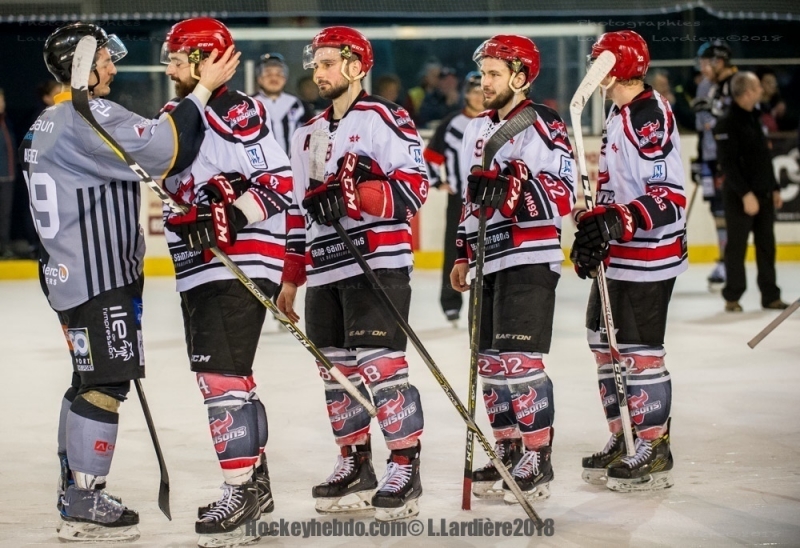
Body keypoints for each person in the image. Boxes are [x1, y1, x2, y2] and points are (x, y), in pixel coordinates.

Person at [19, 22, 237, 542]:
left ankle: (75, 488)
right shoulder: (88, 115)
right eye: (104, 60)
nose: (112, 68)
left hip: (67, 273)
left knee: (87, 379)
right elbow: (167, 150)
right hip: (99, 276)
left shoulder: (46, 121)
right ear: (81, 67)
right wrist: (203, 90)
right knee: (106, 383)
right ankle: (85, 500)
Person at [277, 26, 429, 522]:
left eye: (327, 64)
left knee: (381, 369)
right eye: (315, 64)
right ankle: (356, 463)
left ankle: (404, 466)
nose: (317, 72)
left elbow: (415, 188)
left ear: (356, 66)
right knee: (337, 373)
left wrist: (356, 195)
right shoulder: (306, 133)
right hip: (325, 269)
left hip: (377, 263)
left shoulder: (386, 117)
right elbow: (297, 213)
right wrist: (291, 276)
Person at [159, 18, 293, 546]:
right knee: (232, 377)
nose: (169, 68)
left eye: (177, 59)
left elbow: (278, 182)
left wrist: (231, 214)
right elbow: (178, 192)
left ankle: (238, 492)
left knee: (220, 378)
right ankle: (255, 486)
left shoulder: (237, 109)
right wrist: (194, 210)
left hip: (238, 262)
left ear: (204, 62)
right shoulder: (175, 115)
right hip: (199, 266)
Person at [450, 35, 576, 504]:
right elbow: (469, 199)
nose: (484, 83)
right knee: (489, 363)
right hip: (487, 259)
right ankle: (507, 449)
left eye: (494, 74)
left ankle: (537, 456)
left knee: (520, 362)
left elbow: (563, 191)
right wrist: (462, 252)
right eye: (483, 74)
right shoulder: (474, 129)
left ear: (521, 77)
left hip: (529, 255)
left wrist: (511, 191)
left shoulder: (542, 121)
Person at [570, 30, 686, 492]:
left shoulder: (647, 114)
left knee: (638, 352)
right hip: (618, 255)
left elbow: (670, 198)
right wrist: (593, 227)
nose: (591, 68)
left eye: (598, 60)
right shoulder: (617, 111)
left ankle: (654, 446)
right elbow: (616, 190)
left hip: (649, 255)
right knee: (603, 343)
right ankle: (625, 437)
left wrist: (619, 219)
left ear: (614, 66)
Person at [713, 72, 789, 313]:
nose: (761, 91)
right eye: (757, 88)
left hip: (764, 192)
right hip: (739, 196)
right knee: (737, 247)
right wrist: (746, 194)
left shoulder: (756, 117)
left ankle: (770, 295)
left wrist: (774, 187)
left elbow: (764, 157)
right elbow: (728, 164)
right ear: (746, 93)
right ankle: (733, 296)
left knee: (767, 245)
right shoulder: (726, 122)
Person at [423, 70, 484, 325]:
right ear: (466, 95)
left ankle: (486, 302)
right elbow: (429, 158)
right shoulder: (452, 123)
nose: (479, 97)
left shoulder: (498, 120)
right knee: (454, 249)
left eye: (483, 92)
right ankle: (450, 303)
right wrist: (438, 182)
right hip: (459, 200)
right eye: (474, 92)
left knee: (490, 249)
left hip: (491, 199)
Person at [695, 41, 736, 287]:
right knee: (717, 211)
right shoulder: (704, 86)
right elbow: (702, 127)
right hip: (710, 158)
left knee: (732, 212)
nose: (702, 68)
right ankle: (724, 261)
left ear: (718, 61)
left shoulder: (735, 84)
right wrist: (700, 160)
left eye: (705, 63)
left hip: (728, 157)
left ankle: (731, 263)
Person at [252, 52, 312, 157]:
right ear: (259, 79)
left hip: (294, 164)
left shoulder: (298, 104)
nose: (274, 78)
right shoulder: (249, 104)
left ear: (285, 79)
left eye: (279, 74)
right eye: (268, 74)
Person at [0, 88, 16, 258]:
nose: (1, 104)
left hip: (8, 175)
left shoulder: (6, 121)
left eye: (2, 100)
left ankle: (3, 247)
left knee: (5, 214)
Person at [756, 68, 787, 133]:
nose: (772, 85)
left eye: (774, 82)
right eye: (768, 82)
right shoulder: (753, 105)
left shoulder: (779, 104)